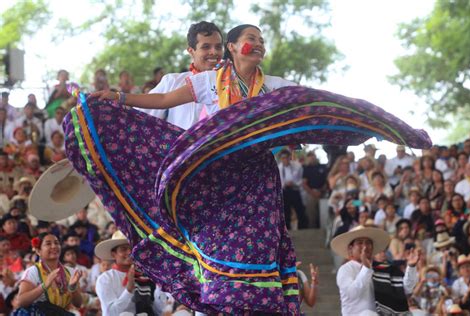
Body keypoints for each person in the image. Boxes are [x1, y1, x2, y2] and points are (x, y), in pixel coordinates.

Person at [68, 24, 431, 314]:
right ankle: (220, 299)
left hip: (256, 178)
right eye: (250, 39)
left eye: (261, 40)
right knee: (215, 244)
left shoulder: (274, 88)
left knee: (259, 244)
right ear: (231, 47)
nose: (258, 45)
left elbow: (316, 104)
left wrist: (383, 125)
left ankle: (257, 305)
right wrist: (118, 98)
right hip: (213, 175)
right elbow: (162, 100)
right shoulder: (209, 81)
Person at [141, 21, 224, 129]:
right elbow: (142, 117)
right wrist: (118, 98)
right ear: (191, 51)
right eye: (206, 47)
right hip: (178, 145)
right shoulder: (172, 81)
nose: (214, 52)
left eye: (218, 47)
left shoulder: (232, 83)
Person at [95, 230, 172, 316]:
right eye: (123, 249)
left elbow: (160, 310)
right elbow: (110, 313)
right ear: (113, 254)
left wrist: (159, 286)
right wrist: (128, 290)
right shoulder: (105, 279)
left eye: (132, 248)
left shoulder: (146, 276)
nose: (129, 252)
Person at [14, 233, 83, 315]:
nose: (54, 246)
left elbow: (78, 304)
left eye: (56, 243)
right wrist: (44, 285)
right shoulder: (33, 272)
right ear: (38, 251)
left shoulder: (70, 272)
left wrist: (72, 288)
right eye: (48, 244)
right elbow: (21, 301)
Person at [331, 225, 390, 315]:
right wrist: (366, 269)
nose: (365, 246)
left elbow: (403, 289)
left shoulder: (380, 268)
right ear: (350, 249)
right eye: (360, 243)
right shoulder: (345, 269)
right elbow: (352, 294)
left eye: (368, 243)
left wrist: (411, 267)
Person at [278, 149, 308, 229]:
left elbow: (300, 179)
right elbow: (278, 181)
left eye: (286, 158)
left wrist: (294, 183)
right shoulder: (279, 168)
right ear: (281, 159)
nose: (285, 160)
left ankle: (303, 229)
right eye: (283, 158)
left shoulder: (297, 166)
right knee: (286, 212)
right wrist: (285, 184)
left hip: (295, 189)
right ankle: (287, 230)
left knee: (300, 210)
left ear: (289, 158)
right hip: (284, 191)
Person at [302, 151, 327, 228]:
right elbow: (304, 184)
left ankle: (325, 227)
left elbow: (327, 181)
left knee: (324, 210)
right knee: (311, 210)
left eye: (313, 156)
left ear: (316, 157)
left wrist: (321, 191)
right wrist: (313, 193)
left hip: (323, 192)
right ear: (308, 158)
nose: (312, 157)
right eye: (309, 156)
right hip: (311, 192)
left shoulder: (323, 167)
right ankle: (312, 228)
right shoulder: (306, 168)